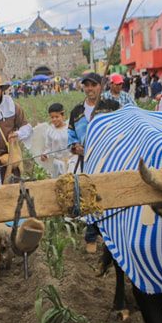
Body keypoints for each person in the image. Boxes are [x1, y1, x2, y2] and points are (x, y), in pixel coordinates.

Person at [68, 72, 120, 253]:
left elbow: (122, 128)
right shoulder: (77, 111)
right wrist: (75, 146)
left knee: (110, 193)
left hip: (111, 158)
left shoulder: (112, 106)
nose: (90, 89)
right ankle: (91, 235)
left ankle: (113, 234)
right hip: (88, 161)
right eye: (87, 85)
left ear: (101, 86)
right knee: (89, 195)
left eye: (94, 85)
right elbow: (71, 135)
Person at [41, 103, 72, 178]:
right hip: (57, 164)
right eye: (52, 117)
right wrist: (45, 154)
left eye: (57, 117)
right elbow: (49, 147)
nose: (54, 119)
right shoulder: (50, 131)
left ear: (62, 116)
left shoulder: (69, 128)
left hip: (71, 162)